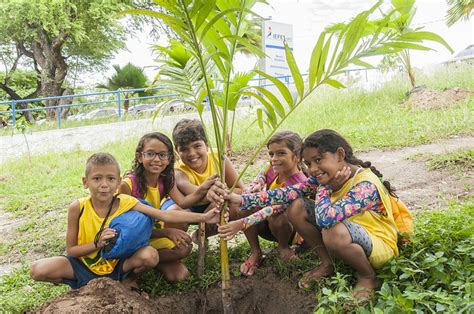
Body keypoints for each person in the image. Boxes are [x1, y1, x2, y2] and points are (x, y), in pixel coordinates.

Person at [211, 129, 404, 304]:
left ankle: (367, 276)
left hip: (378, 242)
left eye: (318, 160)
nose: (312, 169)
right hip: (350, 232)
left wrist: (324, 188)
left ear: (340, 155)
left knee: (332, 231)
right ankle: (327, 264)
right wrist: (239, 199)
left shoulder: (365, 184)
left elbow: (326, 219)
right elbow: (285, 193)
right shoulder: (330, 177)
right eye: (309, 163)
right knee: (296, 206)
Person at [30, 152, 219, 289]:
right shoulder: (77, 208)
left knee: (150, 255)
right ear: (85, 182)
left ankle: (126, 280)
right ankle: (82, 283)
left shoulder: (126, 202)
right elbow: (71, 250)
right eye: (97, 179)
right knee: (38, 270)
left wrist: (203, 217)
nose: (104, 185)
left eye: (110, 179)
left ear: (118, 182)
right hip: (83, 264)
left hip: (118, 264)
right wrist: (97, 244)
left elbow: (166, 215)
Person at [118, 132, 217, 282]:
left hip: (149, 236)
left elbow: (183, 202)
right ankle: (128, 271)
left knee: (183, 254)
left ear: (170, 158)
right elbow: (127, 231)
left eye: (163, 155)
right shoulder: (127, 185)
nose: (157, 159)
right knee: (169, 252)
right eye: (150, 154)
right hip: (130, 239)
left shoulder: (164, 179)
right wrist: (167, 232)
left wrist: (203, 188)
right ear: (140, 157)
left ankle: (155, 260)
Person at [220, 131, 308, 276]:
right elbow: (254, 185)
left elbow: (273, 209)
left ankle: (284, 248)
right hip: (266, 225)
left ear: (297, 157)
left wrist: (241, 223)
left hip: (289, 229)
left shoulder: (301, 183)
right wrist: (249, 191)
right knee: (245, 205)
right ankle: (256, 252)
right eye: (271, 154)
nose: (274, 159)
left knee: (278, 216)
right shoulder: (270, 169)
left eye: (281, 153)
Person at [167, 118, 244, 238]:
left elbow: (239, 189)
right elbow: (198, 194)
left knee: (235, 204)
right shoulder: (178, 171)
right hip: (189, 206)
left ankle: (200, 235)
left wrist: (216, 201)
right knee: (173, 212)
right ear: (177, 152)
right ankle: (176, 247)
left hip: (215, 201)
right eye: (184, 149)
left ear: (207, 146)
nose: (192, 153)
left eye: (197, 146)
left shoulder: (218, 157)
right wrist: (214, 199)